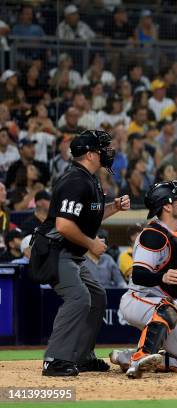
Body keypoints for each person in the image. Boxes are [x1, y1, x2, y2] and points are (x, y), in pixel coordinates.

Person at [31, 130, 130, 376]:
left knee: (97, 296)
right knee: (78, 298)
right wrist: (91, 243)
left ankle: (82, 357)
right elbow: (64, 226)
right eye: (102, 149)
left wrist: (114, 207)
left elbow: (90, 215)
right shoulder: (75, 180)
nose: (108, 152)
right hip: (54, 251)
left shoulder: (90, 179)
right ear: (88, 154)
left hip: (70, 253)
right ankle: (55, 360)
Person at [109, 180, 177, 378]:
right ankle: (141, 358)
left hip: (166, 307)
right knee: (167, 308)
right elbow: (138, 275)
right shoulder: (153, 235)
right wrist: (162, 276)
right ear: (166, 205)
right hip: (138, 299)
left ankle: (127, 358)